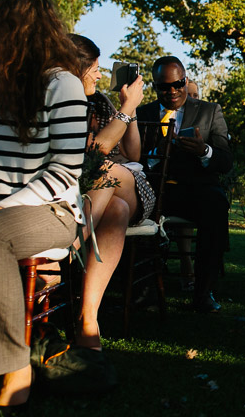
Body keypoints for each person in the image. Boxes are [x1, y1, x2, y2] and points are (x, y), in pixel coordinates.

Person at [0, 0, 88, 411]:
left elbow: (65, 169)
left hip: (51, 210)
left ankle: (16, 368)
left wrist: (2, 207)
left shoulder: (61, 84)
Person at [69, 35, 154, 349]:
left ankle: (72, 241)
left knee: (105, 171)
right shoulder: (62, 102)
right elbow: (94, 152)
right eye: (94, 67)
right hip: (95, 192)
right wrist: (129, 105)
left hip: (129, 184)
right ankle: (88, 317)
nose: (100, 74)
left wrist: (126, 109)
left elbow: (131, 154)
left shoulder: (101, 103)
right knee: (115, 210)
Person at [137, 57, 233, 313]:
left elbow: (225, 160)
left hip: (197, 189)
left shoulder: (209, 111)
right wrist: (158, 152)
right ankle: (143, 290)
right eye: (164, 87)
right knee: (127, 206)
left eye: (178, 84)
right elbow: (133, 160)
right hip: (155, 191)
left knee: (216, 204)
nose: (172, 91)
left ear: (185, 80)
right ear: (155, 86)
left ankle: (203, 293)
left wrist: (204, 151)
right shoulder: (141, 114)